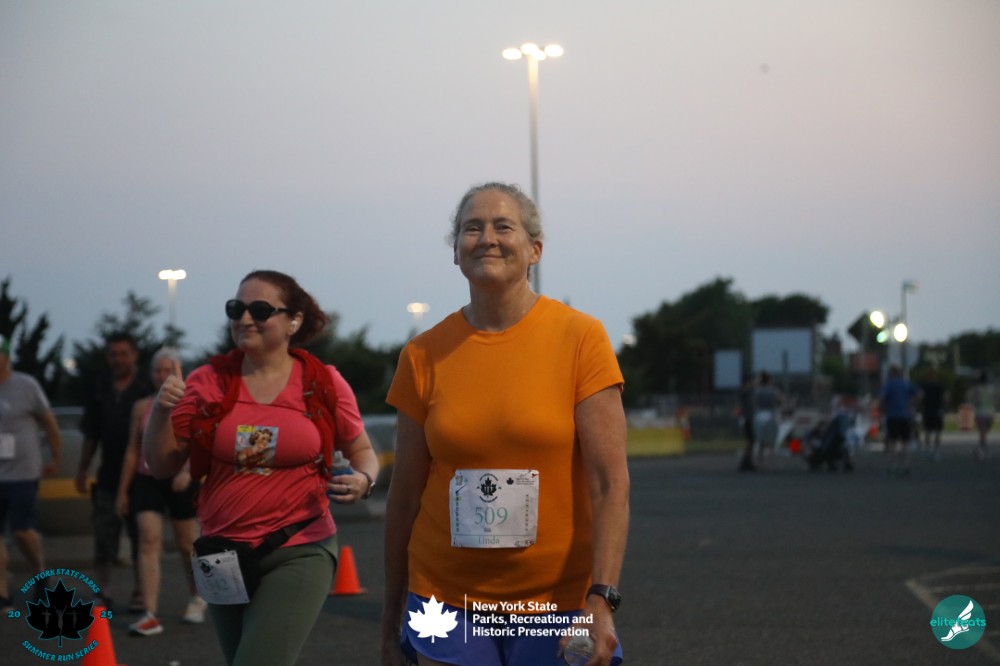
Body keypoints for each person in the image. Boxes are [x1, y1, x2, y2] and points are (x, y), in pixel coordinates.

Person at [381, 183, 629, 666]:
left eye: (503, 226)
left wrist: (601, 600)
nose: (487, 238)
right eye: (472, 228)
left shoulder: (581, 339)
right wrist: (390, 617)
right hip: (443, 599)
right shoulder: (422, 354)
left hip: (556, 601)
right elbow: (404, 495)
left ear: (535, 250)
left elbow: (609, 484)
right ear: (456, 251)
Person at [143, 269, 379, 666]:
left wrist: (364, 479)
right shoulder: (207, 381)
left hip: (299, 547)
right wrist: (160, 412)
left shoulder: (322, 382)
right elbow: (162, 465)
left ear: (293, 321)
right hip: (220, 552)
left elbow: (362, 450)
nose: (245, 318)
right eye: (236, 308)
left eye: (260, 309)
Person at [115, 347, 205, 636]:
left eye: (168, 369)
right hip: (148, 478)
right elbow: (132, 450)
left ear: (180, 371)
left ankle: (197, 596)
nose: (163, 375)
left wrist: (187, 472)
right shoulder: (142, 407)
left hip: (181, 479)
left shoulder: (193, 402)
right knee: (148, 540)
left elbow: (200, 442)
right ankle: (149, 613)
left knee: (187, 544)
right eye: (158, 370)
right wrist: (122, 491)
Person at [77, 331, 152, 611]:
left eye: (123, 354)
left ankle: (140, 591)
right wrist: (83, 468)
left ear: (135, 355)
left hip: (142, 476)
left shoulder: (147, 386)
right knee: (103, 535)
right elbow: (91, 433)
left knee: (140, 537)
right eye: (113, 354)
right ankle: (103, 591)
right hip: (108, 474)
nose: (118, 359)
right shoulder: (100, 386)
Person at [0, 335, 62, 612]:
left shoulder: (25, 385)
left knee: (22, 529)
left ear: (6, 357)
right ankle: (2, 592)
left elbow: (49, 421)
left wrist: (55, 456)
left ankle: (39, 571)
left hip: (23, 471)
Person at [878, 365, 920, 476]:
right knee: (906, 441)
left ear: (891, 374)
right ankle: (906, 465)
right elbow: (919, 394)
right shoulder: (906, 384)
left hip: (892, 416)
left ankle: (893, 465)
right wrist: (911, 404)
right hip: (905, 415)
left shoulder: (889, 385)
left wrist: (882, 409)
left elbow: (882, 398)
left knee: (892, 441)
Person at [752, 371, 785, 470]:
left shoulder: (757, 391)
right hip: (771, 415)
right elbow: (781, 400)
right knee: (771, 442)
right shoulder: (773, 391)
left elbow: (753, 401)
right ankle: (770, 464)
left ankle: (759, 463)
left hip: (759, 415)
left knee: (761, 441)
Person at [918, 369, 946, 460]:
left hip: (927, 410)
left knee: (927, 430)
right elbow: (945, 398)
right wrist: (944, 406)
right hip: (937, 410)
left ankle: (928, 449)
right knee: (938, 431)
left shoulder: (924, 386)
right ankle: (936, 451)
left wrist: (921, 406)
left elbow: (920, 397)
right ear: (935, 376)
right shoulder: (939, 386)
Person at [968, 371, 996, 460]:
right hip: (990, 412)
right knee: (984, 433)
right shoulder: (992, 389)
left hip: (980, 413)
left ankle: (981, 450)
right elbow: (995, 400)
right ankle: (982, 449)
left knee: (982, 433)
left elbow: (975, 401)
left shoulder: (977, 389)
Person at [736, 373, 757, 472]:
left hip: (748, 418)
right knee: (750, 440)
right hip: (748, 419)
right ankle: (746, 461)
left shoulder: (746, 391)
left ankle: (748, 460)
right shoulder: (746, 392)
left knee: (751, 441)